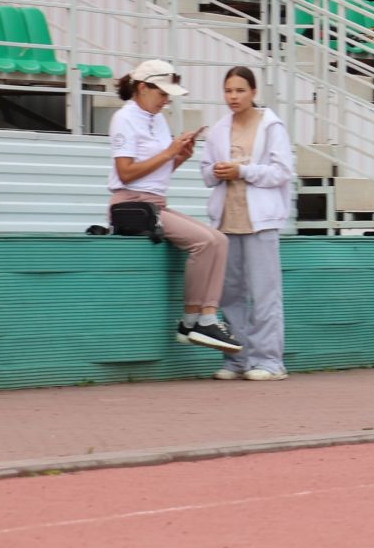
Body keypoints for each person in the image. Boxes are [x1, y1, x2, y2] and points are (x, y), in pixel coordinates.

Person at [108, 61, 240, 354]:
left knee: (220, 239)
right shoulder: (124, 118)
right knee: (206, 242)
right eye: (163, 93)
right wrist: (169, 152)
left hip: (154, 204)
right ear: (143, 88)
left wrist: (179, 156)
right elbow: (127, 173)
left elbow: (157, 173)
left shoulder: (157, 118)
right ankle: (196, 320)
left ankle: (200, 318)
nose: (167, 100)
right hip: (131, 205)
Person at [203, 66, 295, 382]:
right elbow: (205, 173)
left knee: (264, 293)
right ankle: (238, 359)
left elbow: (282, 172)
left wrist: (243, 172)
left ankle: (270, 361)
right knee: (230, 295)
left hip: (261, 222)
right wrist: (217, 171)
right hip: (226, 220)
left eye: (240, 90)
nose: (233, 97)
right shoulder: (217, 129)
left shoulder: (271, 126)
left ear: (253, 92)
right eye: (228, 90)